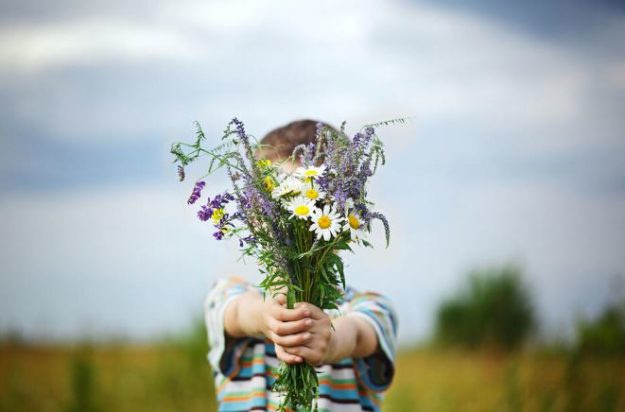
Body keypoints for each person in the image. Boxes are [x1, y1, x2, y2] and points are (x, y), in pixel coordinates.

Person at [204, 120, 398, 411]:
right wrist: (266, 317)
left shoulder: (370, 307)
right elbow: (236, 314)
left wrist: (330, 342)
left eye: (316, 202)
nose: (296, 220)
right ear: (254, 213)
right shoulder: (228, 294)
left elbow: (358, 334)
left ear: (345, 209)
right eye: (278, 203)